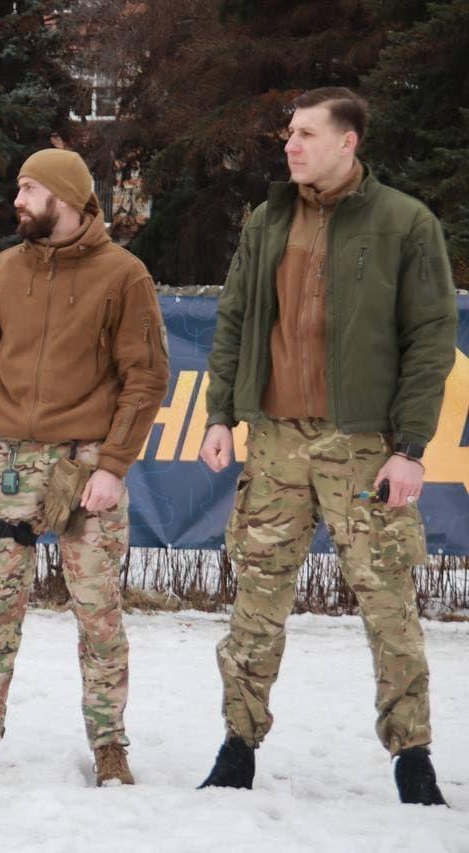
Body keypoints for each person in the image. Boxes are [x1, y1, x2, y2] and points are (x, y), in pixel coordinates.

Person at [198, 87, 458, 806]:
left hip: (364, 448)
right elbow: (235, 319)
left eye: (307, 133)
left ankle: (412, 755)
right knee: (256, 601)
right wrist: (221, 414)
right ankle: (238, 745)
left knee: (388, 603)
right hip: (275, 441)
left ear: (348, 143)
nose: (291, 144)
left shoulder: (405, 223)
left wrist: (410, 446)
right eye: (289, 132)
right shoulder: (267, 220)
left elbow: (430, 339)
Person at [0, 149, 169, 784]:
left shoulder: (124, 275)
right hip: (8, 462)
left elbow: (144, 379)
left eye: (29, 187)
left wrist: (114, 465)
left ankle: (110, 746)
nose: (18, 199)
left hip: (86, 466)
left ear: (64, 195)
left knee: (98, 610)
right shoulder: (3, 271)